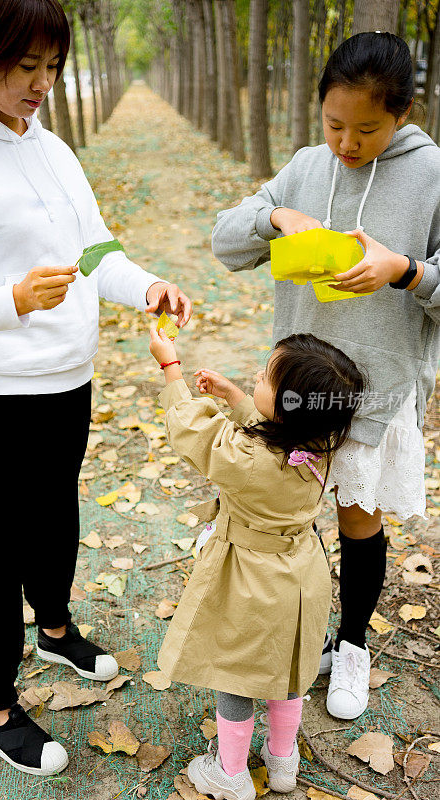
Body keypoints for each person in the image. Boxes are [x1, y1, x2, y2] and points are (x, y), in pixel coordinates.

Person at [0, 0, 192, 777]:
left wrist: (148, 287)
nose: (42, 85)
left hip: (68, 381)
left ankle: (56, 632)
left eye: (53, 67)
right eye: (25, 66)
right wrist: (11, 303)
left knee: (56, 516)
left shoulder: (51, 147)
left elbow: (94, 250)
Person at [211, 31, 440, 721]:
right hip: (297, 386)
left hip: (376, 387)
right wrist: (275, 216)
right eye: (334, 124)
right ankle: (306, 634)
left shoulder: (431, 175)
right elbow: (226, 242)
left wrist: (403, 271)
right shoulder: (308, 166)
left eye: (366, 129)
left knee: (357, 521)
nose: (346, 142)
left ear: (401, 112)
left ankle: (352, 645)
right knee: (289, 517)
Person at [148, 326, 366, 798]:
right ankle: (283, 761)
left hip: (249, 576)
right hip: (302, 576)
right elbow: (273, 435)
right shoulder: (322, 446)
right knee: (286, 667)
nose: (256, 378)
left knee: (237, 672)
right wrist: (237, 397)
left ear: (288, 405)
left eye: (266, 378)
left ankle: (230, 772)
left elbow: (193, 432)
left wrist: (172, 369)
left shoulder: (246, 457)